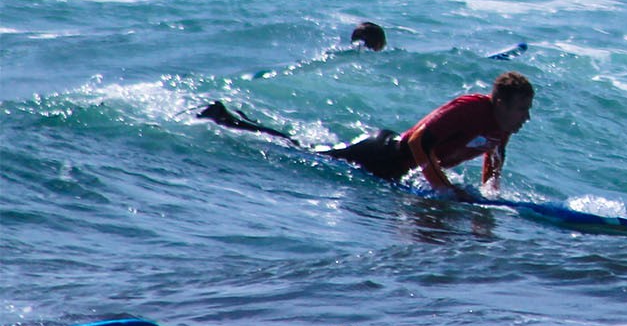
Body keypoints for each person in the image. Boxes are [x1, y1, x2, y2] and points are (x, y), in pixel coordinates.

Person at [197, 71, 535, 200]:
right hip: (380, 154)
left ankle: (233, 118)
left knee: (303, 149)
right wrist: (443, 188)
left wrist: (490, 197)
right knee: (299, 151)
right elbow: (418, 140)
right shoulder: (470, 109)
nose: (526, 117)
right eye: (522, 109)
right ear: (500, 103)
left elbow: (494, 159)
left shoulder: (502, 127)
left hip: (397, 171)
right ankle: (227, 119)